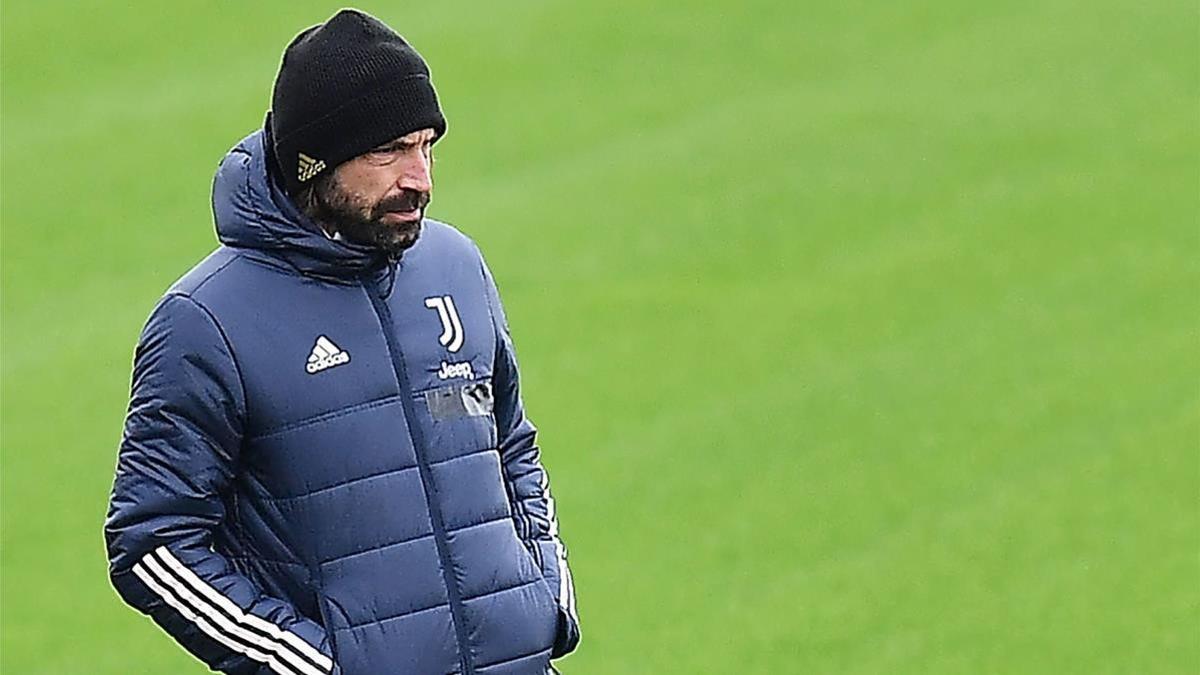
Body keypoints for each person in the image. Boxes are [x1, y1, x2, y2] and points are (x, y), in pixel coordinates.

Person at [104, 9, 580, 675]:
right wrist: (311, 665)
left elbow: (511, 445)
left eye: (426, 145)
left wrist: (545, 598)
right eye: (388, 151)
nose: (420, 179)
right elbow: (153, 540)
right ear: (314, 164)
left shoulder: (456, 266)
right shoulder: (204, 322)